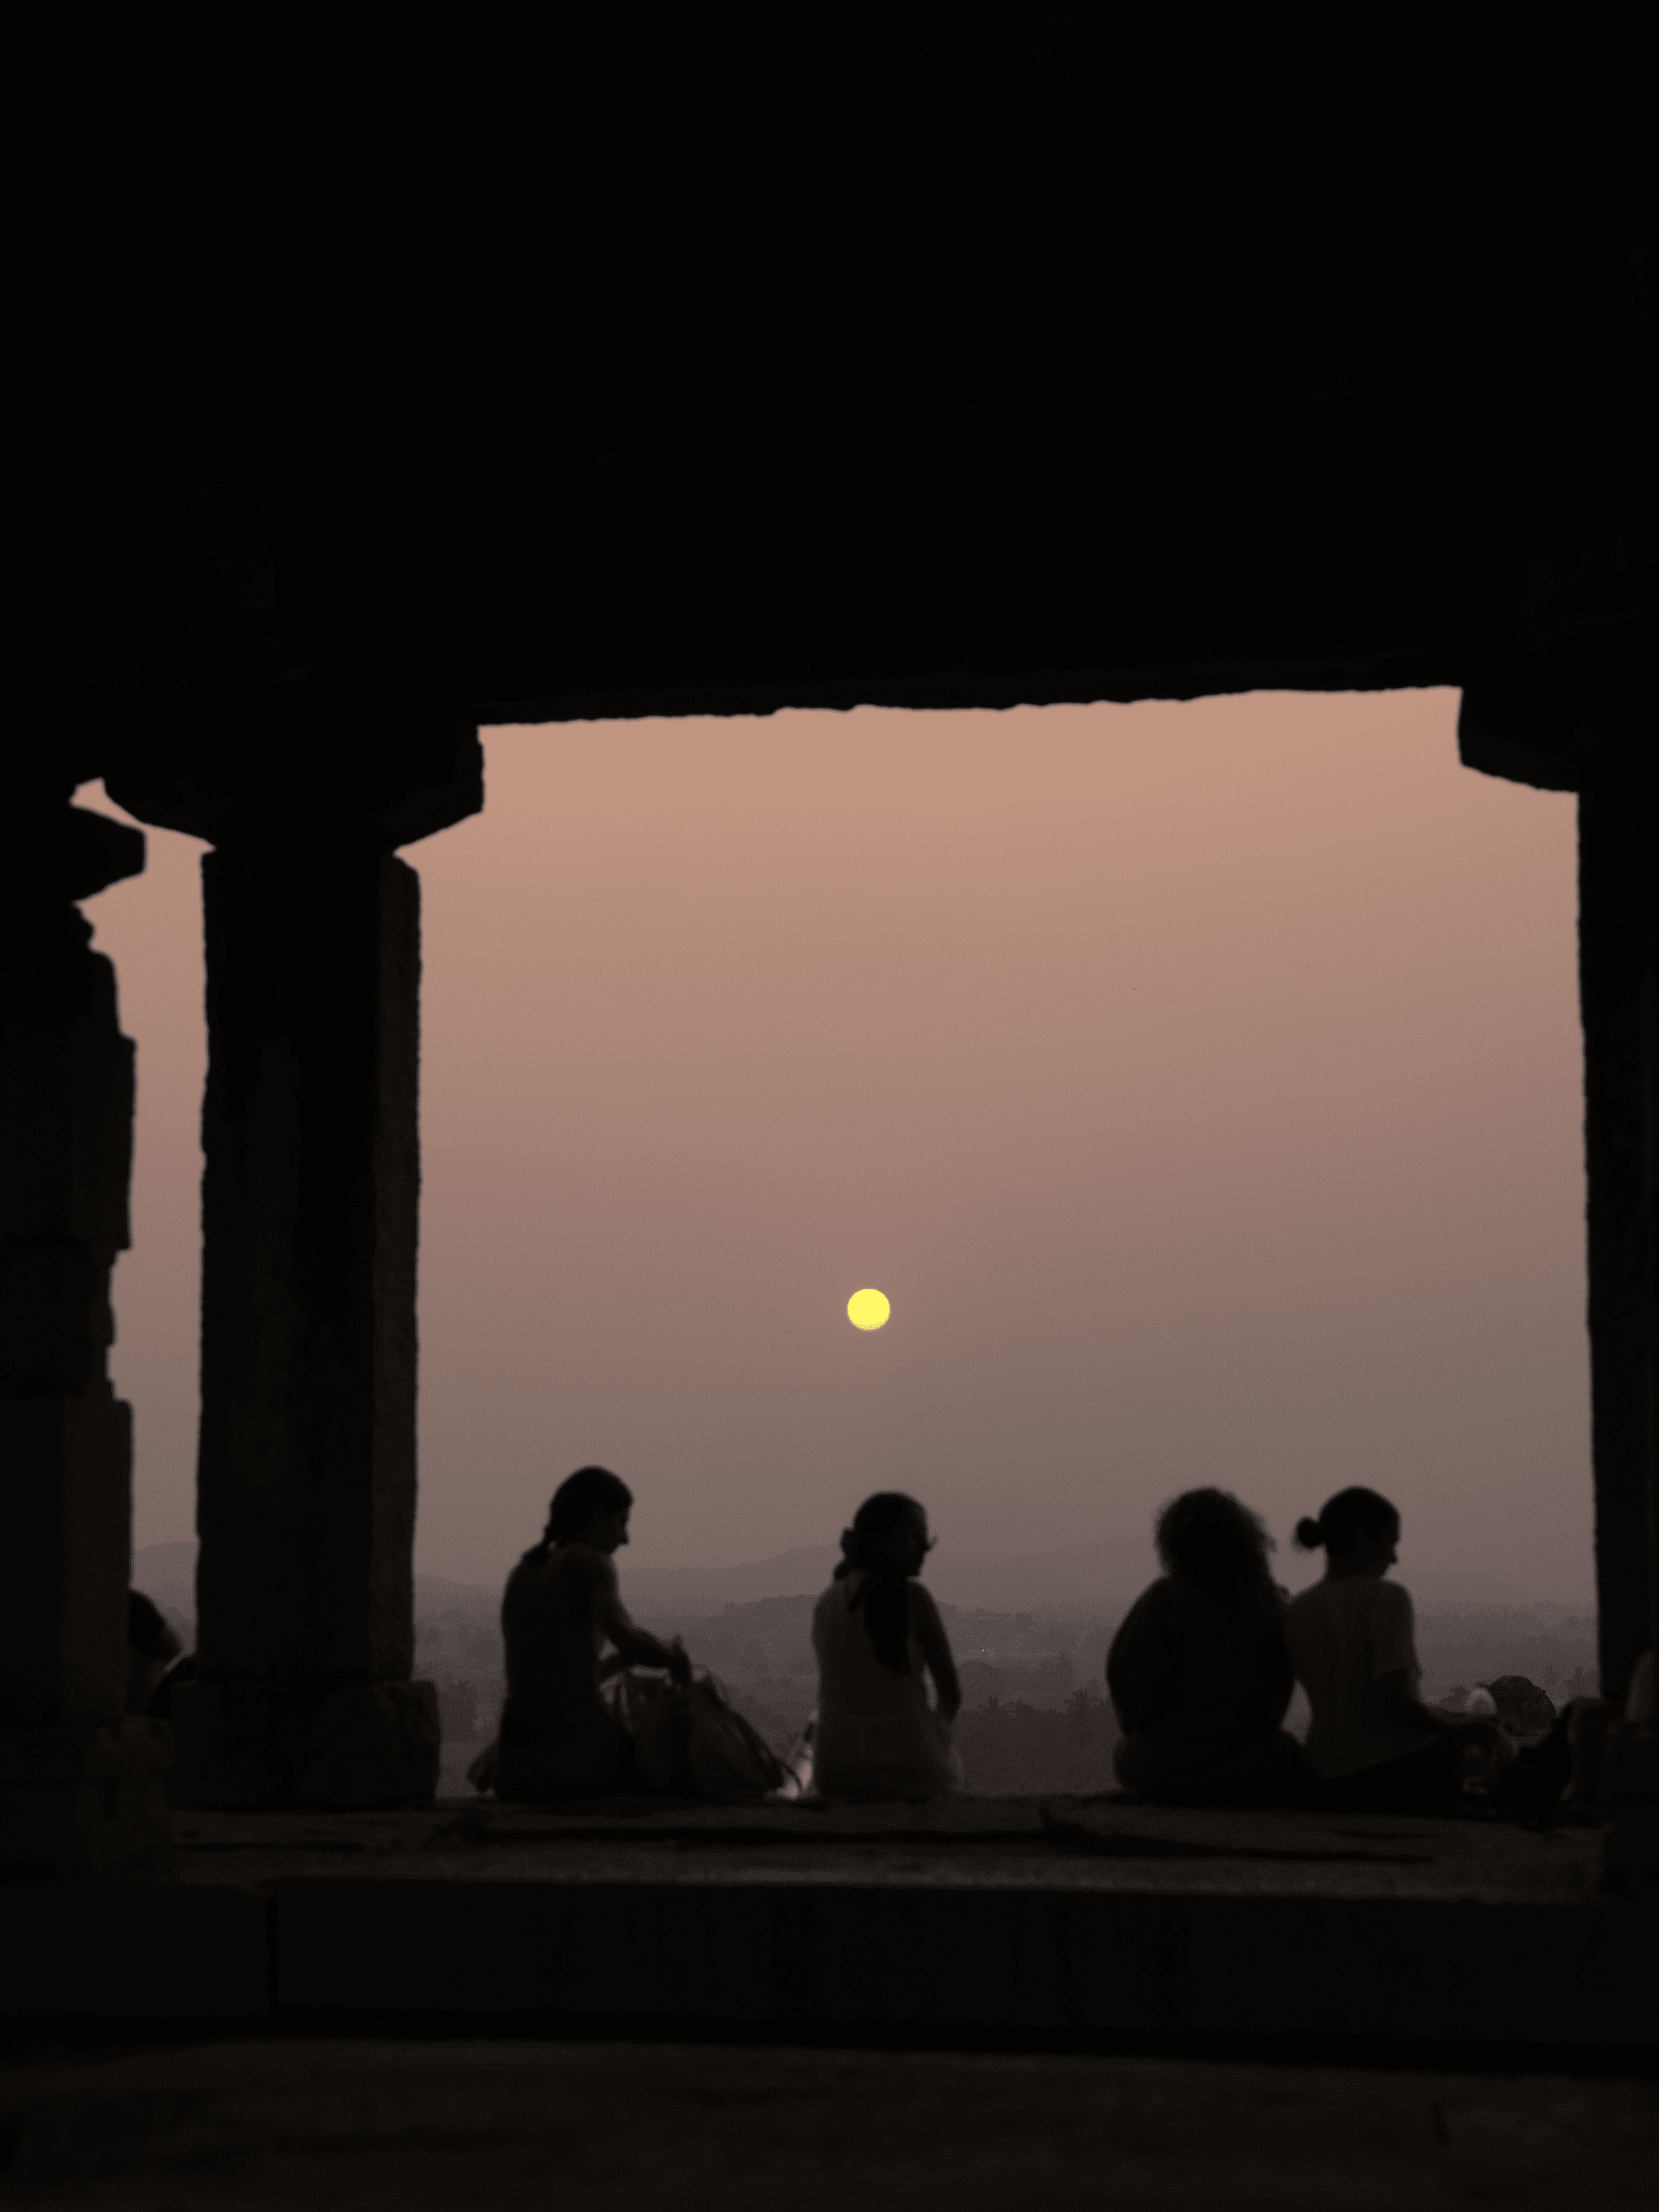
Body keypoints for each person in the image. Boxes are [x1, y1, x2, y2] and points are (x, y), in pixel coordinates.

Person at [1285, 1486, 1509, 1814]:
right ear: (1362, 1537)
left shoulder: (1296, 1610)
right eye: (1390, 1542)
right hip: (1397, 1771)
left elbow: (1356, 1704)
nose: (1394, 1558)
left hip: (1324, 1778)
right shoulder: (1386, 1598)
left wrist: (1450, 1718)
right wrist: (1455, 1730)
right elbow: (1394, 1700)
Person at [493, 1465, 691, 1802]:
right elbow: (626, 1634)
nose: (625, 1539)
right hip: (576, 1754)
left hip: (514, 1760)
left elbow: (550, 1678)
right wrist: (673, 1657)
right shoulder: (589, 1564)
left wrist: (615, 1665)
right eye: (621, 1523)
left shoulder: (522, 1573)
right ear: (599, 1513)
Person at [1106, 1488, 1301, 1804]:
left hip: (1166, 1768)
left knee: (1127, 1755)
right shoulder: (1271, 1605)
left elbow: (1130, 1698)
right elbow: (1279, 1695)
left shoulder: (1165, 1600)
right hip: (1257, 1768)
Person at [813, 1493, 964, 1798]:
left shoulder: (828, 1602)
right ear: (879, 1540)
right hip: (913, 1766)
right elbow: (951, 1695)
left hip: (835, 1766)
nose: (924, 1547)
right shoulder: (915, 1599)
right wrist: (931, 1734)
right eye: (914, 1536)